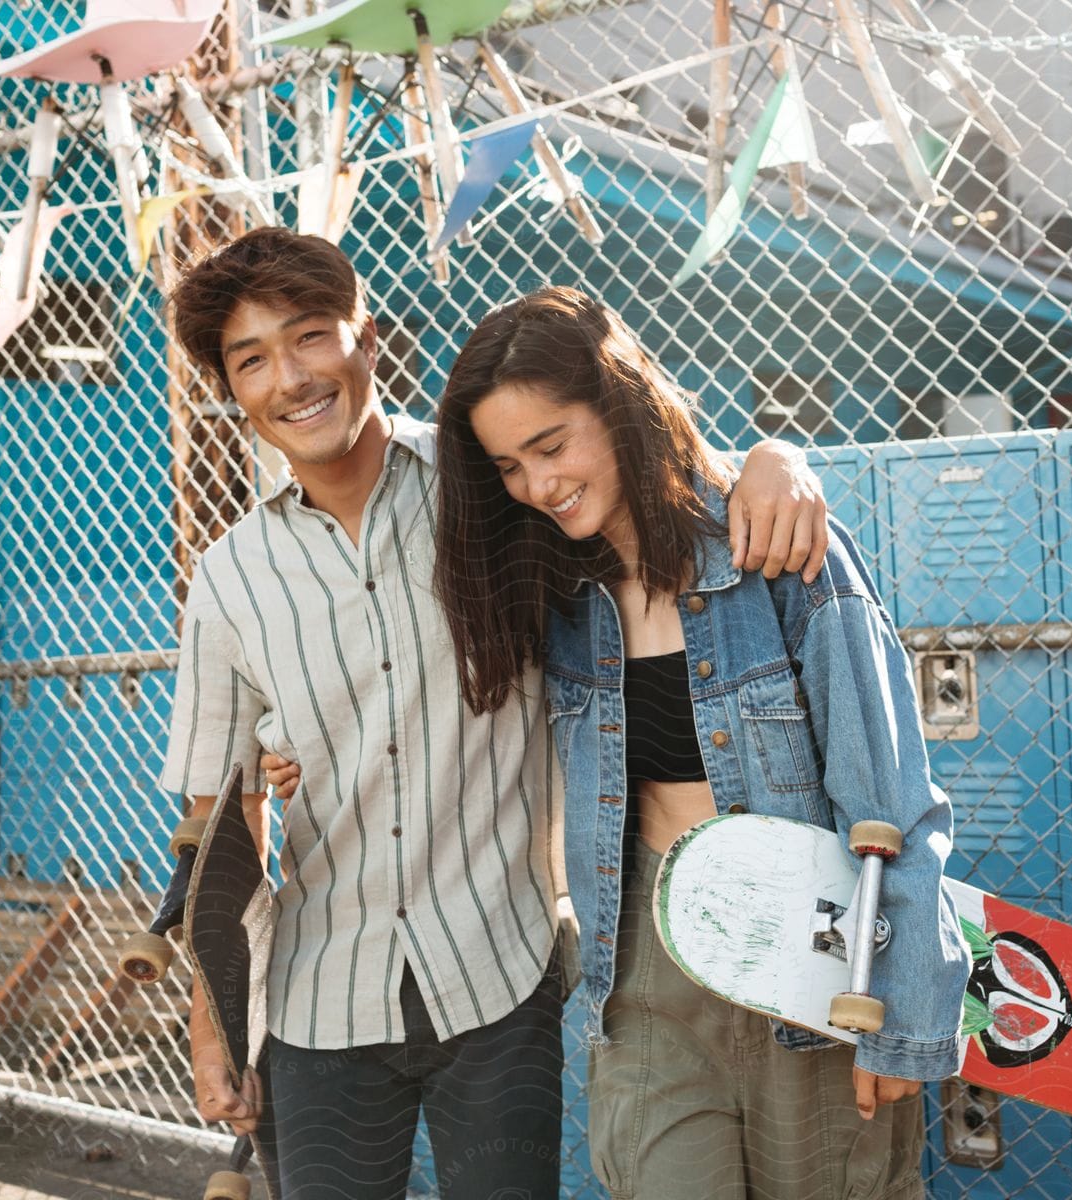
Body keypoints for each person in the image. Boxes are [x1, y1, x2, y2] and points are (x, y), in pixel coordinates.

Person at [158, 227, 832, 1200]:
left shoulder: (490, 490)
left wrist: (770, 460)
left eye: (309, 337)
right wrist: (213, 1022)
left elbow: (630, 480)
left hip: (497, 975)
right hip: (316, 1000)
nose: (289, 379)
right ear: (231, 390)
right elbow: (215, 825)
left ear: (367, 341)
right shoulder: (228, 583)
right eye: (251, 359)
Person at [429, 286, 969, 1200]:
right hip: (648, 968)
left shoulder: (779, 552)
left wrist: (905, 1017)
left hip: (818, 963)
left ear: (621, 404)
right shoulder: (552, 594)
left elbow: (892, 796)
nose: (537, 485)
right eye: (509, 466)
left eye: (551, 446)